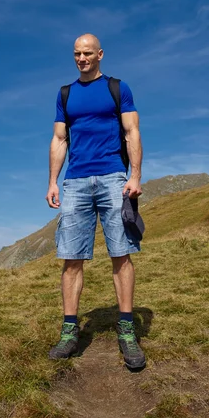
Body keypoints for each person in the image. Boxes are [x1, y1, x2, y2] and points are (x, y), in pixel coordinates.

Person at [45, 33, 145, 369]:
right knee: (71, 258)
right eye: (77, 53)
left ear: (100, 54)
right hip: (74, 182)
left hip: (113, 178)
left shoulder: (118, 88)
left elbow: (132, 132)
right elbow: (60, 139)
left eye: (88, 53)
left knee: (121, 253)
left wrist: (134, 177)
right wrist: (52, 182)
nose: (82, 58)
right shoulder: (66, 94)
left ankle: (127, 329)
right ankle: (70, 330)